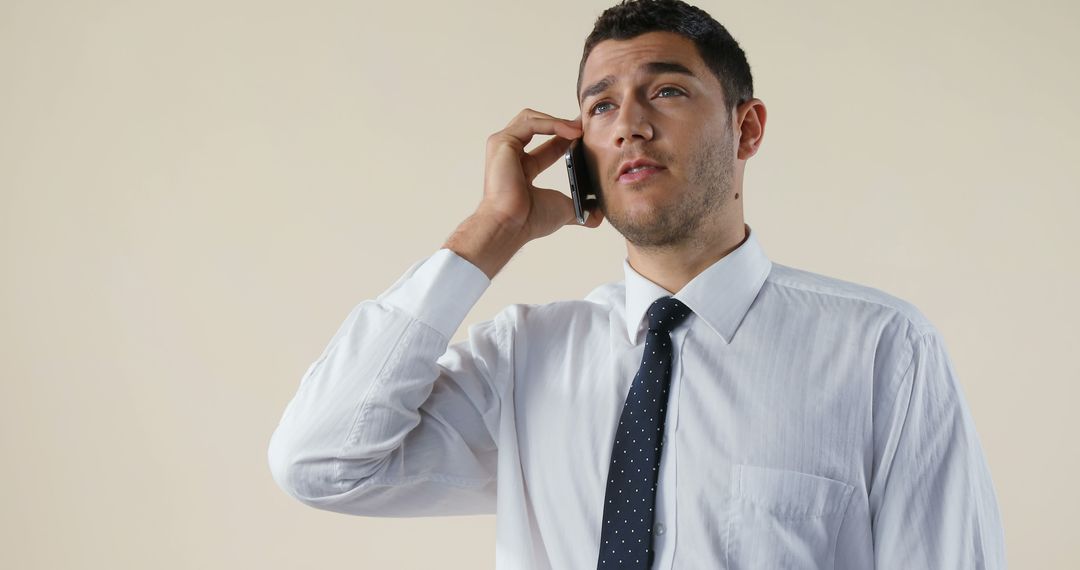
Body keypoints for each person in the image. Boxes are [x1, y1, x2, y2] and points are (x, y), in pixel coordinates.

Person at [267, 0, 1007, 568]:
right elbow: (321, 463)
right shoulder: (524, 360)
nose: (628, 126)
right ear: (582, 150)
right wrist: (492, 230)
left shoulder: (882, 350)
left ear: (746, 129)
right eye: (600, 106)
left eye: (666, 93)